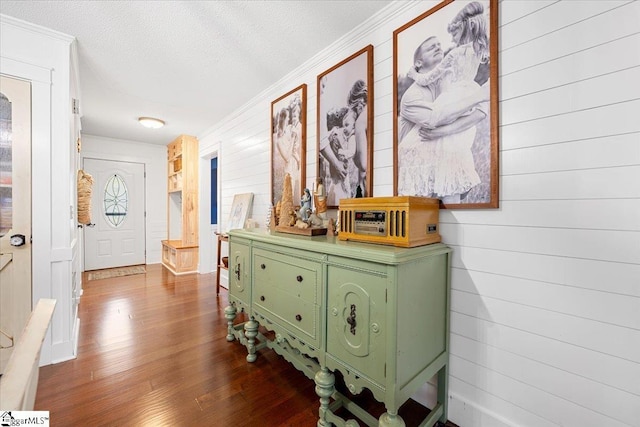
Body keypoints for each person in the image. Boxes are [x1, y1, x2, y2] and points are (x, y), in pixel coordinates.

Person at [401, 2, 490, 203]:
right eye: (431, 47)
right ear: (418, 61)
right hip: (462, 100)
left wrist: (413, 74)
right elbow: (434, 119)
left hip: (458, 103)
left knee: (451, 155)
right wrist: (479, 95)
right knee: (448, 154)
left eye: (441, 44)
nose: (442, 45)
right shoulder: (411, 97)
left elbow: (428, 81)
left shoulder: (453, 63)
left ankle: (450, 195)